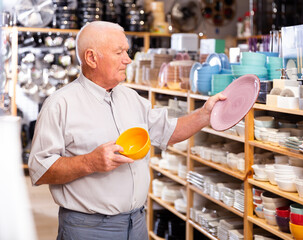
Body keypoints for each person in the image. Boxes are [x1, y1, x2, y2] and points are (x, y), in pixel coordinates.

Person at [28, 21, 226, 240]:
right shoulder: (59, 104)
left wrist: (205, 114)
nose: (128, 59)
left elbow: (168, 131)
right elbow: (39, 169)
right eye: (119, 52)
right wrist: (90, 162)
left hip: (137, 224)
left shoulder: (131, 98)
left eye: (127, 51)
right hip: (88, 229)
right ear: (92, 58)